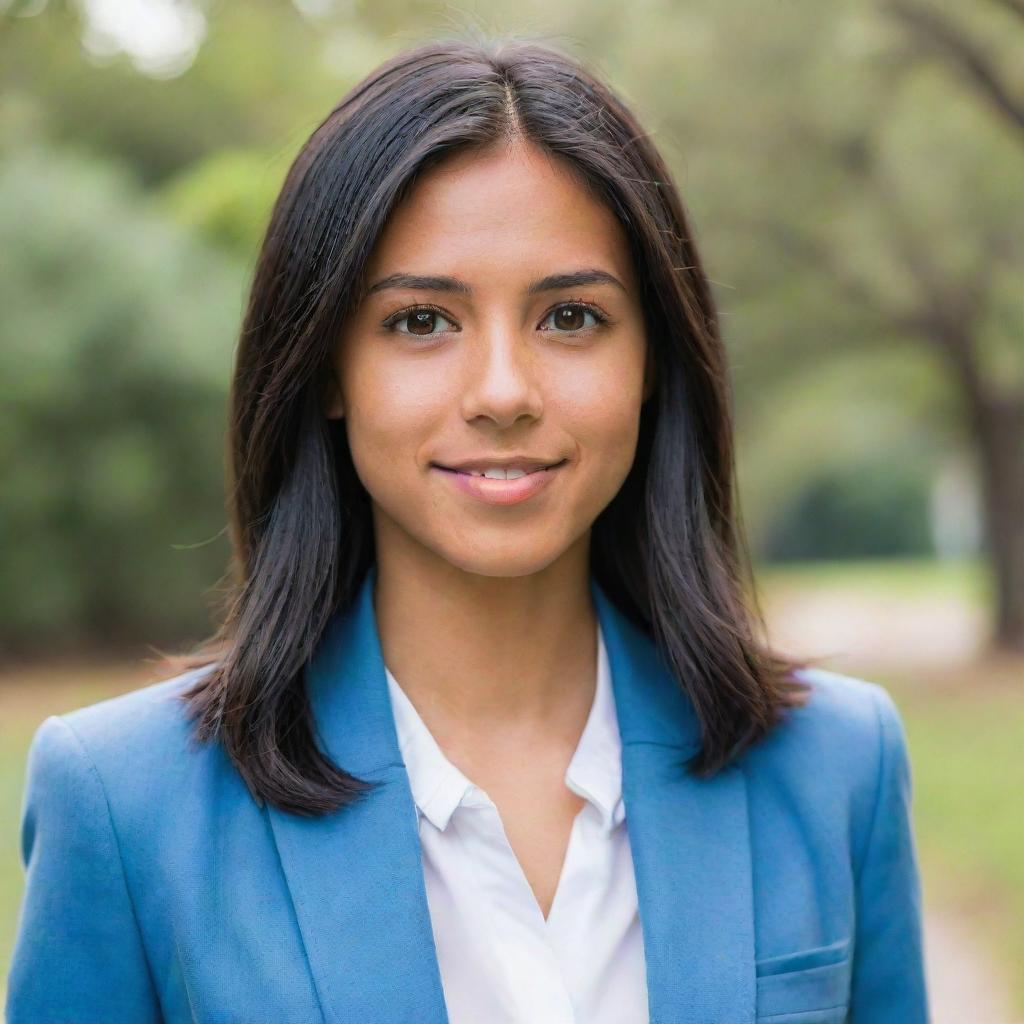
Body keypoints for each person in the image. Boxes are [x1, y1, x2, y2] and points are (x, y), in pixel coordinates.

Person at [6, 33, 930, 1024]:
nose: (502, 392)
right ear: (326, 368)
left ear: (655, 360)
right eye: (420, 322)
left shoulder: (836, 766)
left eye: (571, 317)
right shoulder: (125, 803)